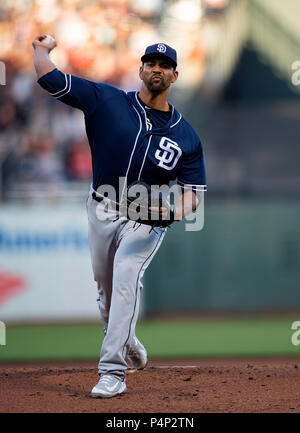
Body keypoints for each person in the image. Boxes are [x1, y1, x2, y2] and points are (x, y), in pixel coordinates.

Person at [32, 35, 207, 398]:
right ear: (140, 69)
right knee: (106, 293)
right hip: (102, 207)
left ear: (175, 76)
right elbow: (51, 79)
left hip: (147, 218)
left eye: (165, 65)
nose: (156, 69)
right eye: (151, 63)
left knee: (127, 276)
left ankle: (113, 372)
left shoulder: (186, 136)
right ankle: (126, 340)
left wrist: (173, 211)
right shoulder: (106, 99)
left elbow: (194, 195)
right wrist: (40, 51)